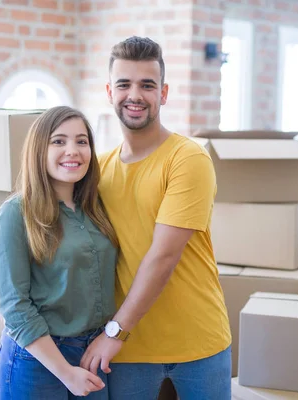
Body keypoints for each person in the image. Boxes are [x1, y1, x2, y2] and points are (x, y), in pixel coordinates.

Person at [80, 36, 232, 399]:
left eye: (147, 85)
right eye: (124, 84)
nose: (135, 94)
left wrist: (114, 332)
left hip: (198, 345)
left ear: (163, 94)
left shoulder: (187, 159)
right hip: (130, 352)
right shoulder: (98, 170)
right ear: (109, 92)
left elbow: (163, 256)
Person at [0, 106, 119, 399]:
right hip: (37, 361)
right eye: (59, 141)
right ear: (39, 150)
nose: (72, 150)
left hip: (93, 354)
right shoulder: (15, 214)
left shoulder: (95, 209)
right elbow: (13, 307)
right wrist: (65, 371)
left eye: (81, 141)